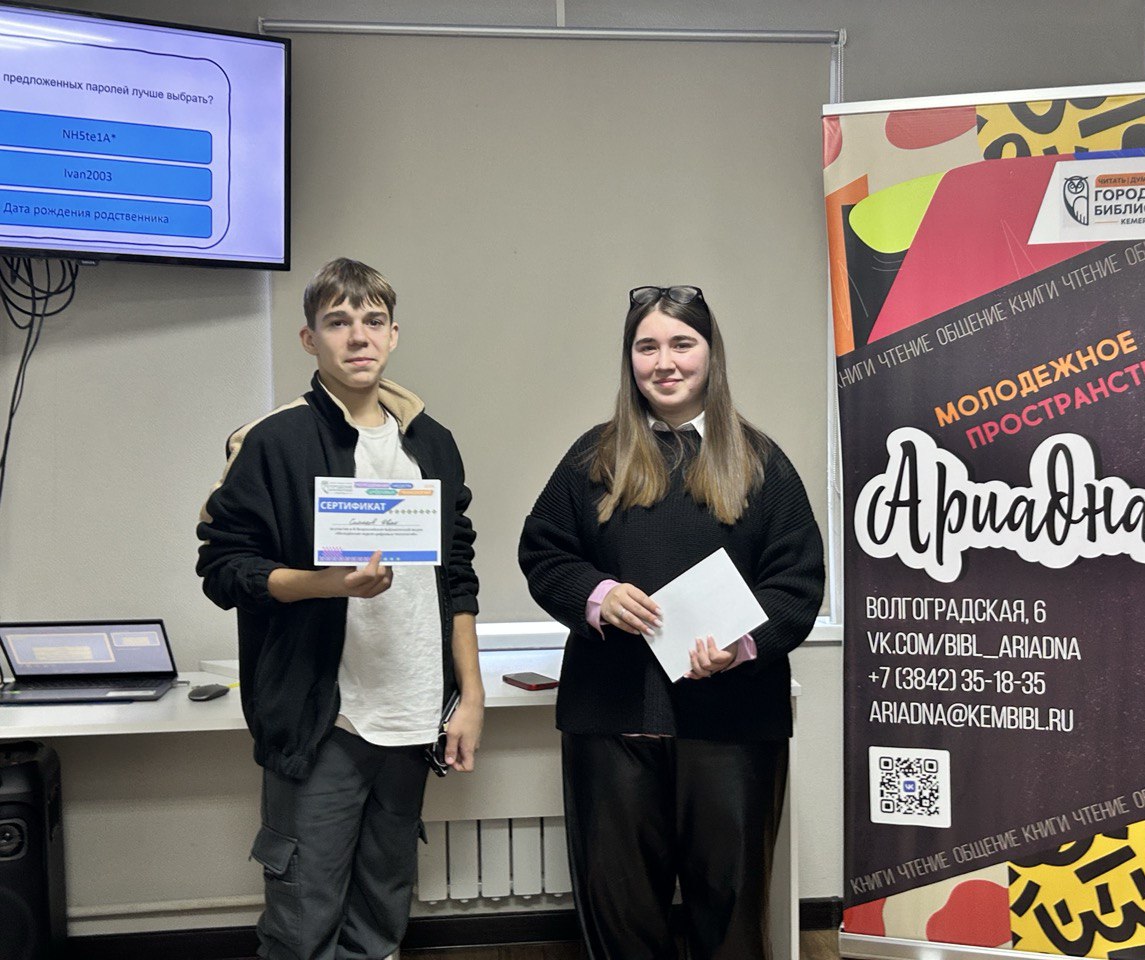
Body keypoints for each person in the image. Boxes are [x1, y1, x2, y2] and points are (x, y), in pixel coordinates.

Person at [518, 284, 824, 960]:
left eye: (682, 344)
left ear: (711, 354)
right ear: (629, 359)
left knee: (731, 920)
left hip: (733, 726)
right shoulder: (593, 458)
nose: (664, 362)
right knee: (621, 919)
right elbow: (543, 552)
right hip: (613, 722)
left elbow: (798, 584)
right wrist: (597, 594)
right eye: (646, 346)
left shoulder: (762, 463)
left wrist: (743, 645)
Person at [196, 258, 483, 960]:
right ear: (309, 339)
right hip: (323, 720)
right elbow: (224, 570)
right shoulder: (273, 441)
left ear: (393, 335)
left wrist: (471, 696)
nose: (359, 337)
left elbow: (458, 575)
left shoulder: (432, 443)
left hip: (413, 713)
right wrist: (326, 585)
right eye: (338, 322)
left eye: (373, 321)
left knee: (382, 913)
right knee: (303, 920)